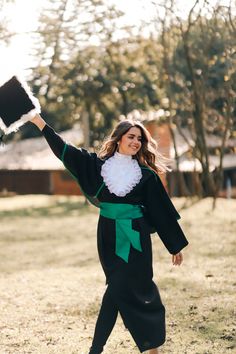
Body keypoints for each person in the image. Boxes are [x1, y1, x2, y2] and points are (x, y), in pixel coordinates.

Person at [30, 113, 189, 354]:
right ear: (119, 139)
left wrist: (174, 245)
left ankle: (104, 348)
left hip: (136, 239)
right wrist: (39, 122)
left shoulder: (146, 176)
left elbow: (161, 211)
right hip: (108, 236)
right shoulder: (98, 166)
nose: (136, 142)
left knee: (132, 288)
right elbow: (65, 150)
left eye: (140, 139)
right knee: (116, 285)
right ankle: (145, 348)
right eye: (131, 137)